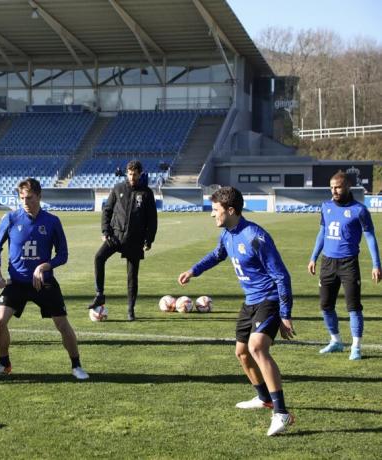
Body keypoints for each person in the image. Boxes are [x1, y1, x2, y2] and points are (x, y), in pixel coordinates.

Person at [177, 186, 295, 436]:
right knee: (242, 353)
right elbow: (217, 254)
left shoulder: (255, 236)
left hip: (269, 299)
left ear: (231, 210)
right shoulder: (228, 234)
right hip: (250, 301)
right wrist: (193, 270)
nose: (212, 215)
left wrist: (285, 313)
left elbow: (281, 276)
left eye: (215, 210)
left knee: (256, 347)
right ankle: (264, 398)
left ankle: (282, 414)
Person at [0, 178, 89, 380]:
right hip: (17, 283)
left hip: (44, 283)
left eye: (29, 198)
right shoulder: (10, 219)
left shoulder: (52, 222)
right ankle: (4, 364)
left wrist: (45, 266)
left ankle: (76, 365)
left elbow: (62, 254)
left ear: (39, 196)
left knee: (62, 325)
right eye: (22, 198)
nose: (25, 202)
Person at [308, 171, 381, 360]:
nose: (334, 191)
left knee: (354, 307)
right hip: (328, 262)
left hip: (349, 263)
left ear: (347, 186)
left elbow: (370, 236)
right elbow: (322, 232)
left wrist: (376, 264)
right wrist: (313, 257)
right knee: (325, 305)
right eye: (332, 187)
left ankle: (356, 346)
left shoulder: (359, 210)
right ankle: (336, 341)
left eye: (338, 187)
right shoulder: (325, 207)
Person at [89, 160, 157, 321]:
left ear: (140, 174)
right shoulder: (118, 188)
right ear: (127, 173)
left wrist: (149, 240)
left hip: (135, 240)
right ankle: (99, 294)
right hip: (116, 237)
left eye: (135, 174)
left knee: (132, 276)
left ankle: (130, 310)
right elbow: (107, 210)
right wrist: (106, 231)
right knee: (99, 257)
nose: (132, 177)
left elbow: (152, 219)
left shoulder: (146, 193)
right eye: (130, 174)